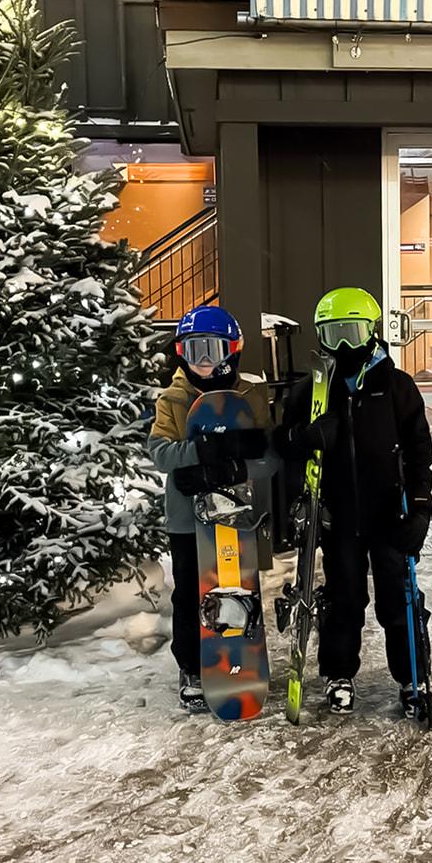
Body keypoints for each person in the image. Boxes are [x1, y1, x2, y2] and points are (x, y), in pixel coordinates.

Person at [277, 287, 432, 715]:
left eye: (352, 331)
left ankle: (412, 677)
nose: (344, 344)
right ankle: (339, 673)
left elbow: (421, 454)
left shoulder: (398, 388)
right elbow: (283, 447)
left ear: (372, 331)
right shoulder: (310, 390)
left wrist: (420, 509)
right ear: (320, 336)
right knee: (344, 599)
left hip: (389, 514)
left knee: (396, 599)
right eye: (333, 334)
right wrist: (306, 439)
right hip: (339, 516)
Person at [148, 305, 278, 713]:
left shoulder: (251, 396)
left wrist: (238, 464)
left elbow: (270, 456)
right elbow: (161, 453)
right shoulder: (173, 398)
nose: (203, 361)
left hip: (236, 515)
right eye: (193, 350)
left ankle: (239, 657)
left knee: (239, 587)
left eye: (213, 349)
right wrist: (202, 452)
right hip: (189, 521)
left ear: (233, 350)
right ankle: (190, 667)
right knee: (189, 594)